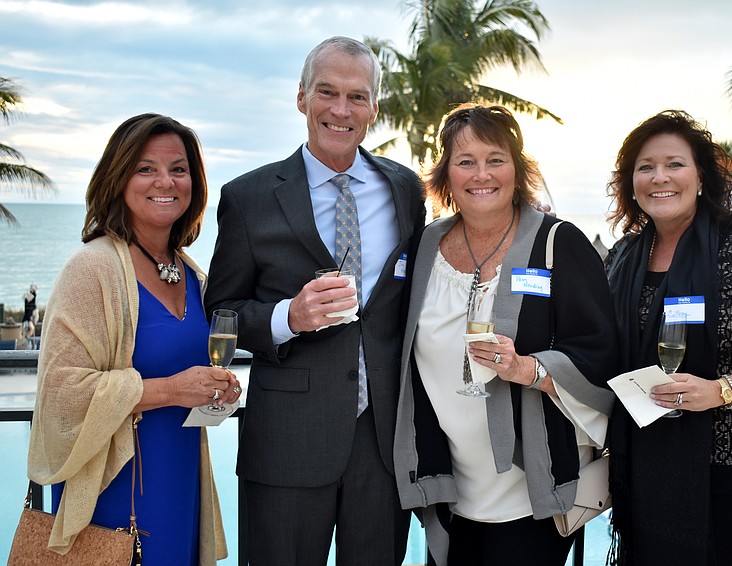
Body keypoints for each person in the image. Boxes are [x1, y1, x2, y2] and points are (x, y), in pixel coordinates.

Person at [204, 36, 426, 565]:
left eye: (357, 96)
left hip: (384, 445)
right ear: (301, 97)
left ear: (374, 107)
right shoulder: (248, 197)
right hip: (286, 447)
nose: (341, 110)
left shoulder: (406, 189)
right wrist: (288, 317)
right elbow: (220, 316)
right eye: (327, 92)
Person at [393, 103, 619, 565]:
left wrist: (530, 369)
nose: (482, 174)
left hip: (530, 488)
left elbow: (602, 352)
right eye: (465, 161)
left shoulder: (559, 243)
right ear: (446, 174)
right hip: (448, 484)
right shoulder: (423, 248)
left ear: (517, 169)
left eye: (496, 159)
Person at [27, 113, 240, 564]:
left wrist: (212, 391)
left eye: (178, 169)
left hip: (179, 479)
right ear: (119, 178)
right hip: (115, 490)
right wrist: (171, 389)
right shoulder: (92, 268)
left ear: (194, 183)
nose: (164, 181)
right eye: (146, 168)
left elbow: (190, 374)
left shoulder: (195, 277)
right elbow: (61, 393)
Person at [604, 110, 732, 565]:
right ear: (631, 181)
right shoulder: (622, 257)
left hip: (730, 472)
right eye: (646, 167)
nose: (660, 177)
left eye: (674, 164)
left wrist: (718, 391)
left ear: (701, 175)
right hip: (642, 468)